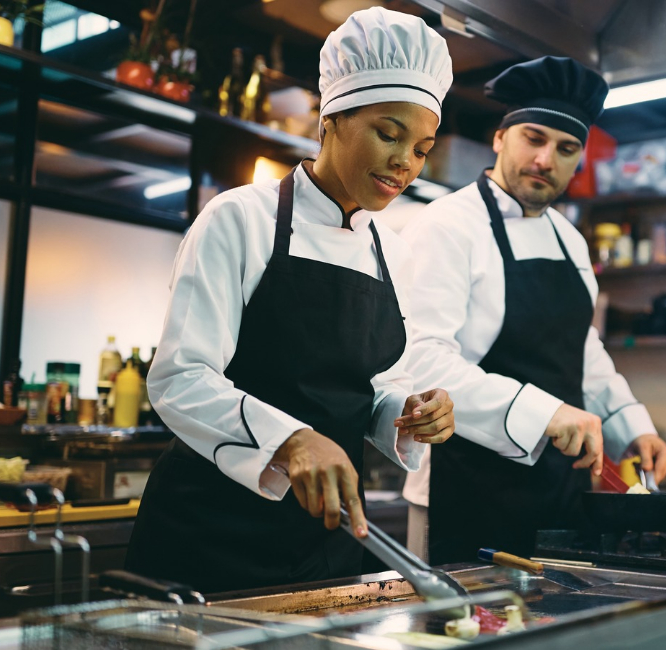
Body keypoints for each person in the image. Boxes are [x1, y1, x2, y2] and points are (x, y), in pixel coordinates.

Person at [125, 7, 456, 593]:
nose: (406, 162)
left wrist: (406, 412)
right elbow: (180, 378)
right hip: (208, 533)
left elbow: (366, 385)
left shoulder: (394, 253)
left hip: (323, 539)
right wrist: (292, 439)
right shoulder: (240, 218)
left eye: (423, 148)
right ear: (332, 118)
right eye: (389, 133)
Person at [400, 56, 666, 564]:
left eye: (567, 148)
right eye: (534, 138)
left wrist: (630, 425)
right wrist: (544, 412)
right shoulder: (445, 226)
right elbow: (421, 362)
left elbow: (581, 347)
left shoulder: (570, 240)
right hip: (462, 488)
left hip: (556, 492)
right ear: (501, 138)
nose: (546, 159)